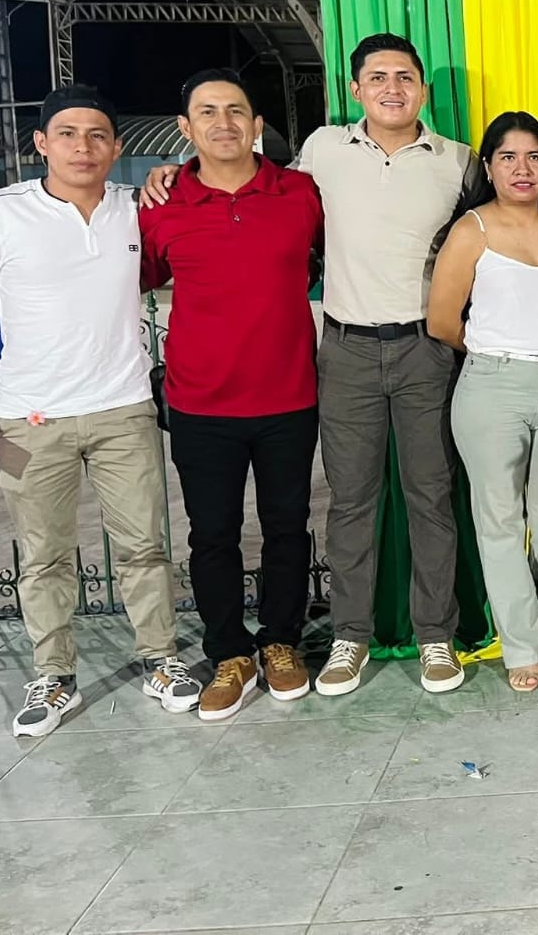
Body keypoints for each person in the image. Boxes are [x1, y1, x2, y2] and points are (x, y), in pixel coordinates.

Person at [144, 33, 475, 697]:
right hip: (346, 350)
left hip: (425, 349)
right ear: (355, 89)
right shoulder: (321, 153)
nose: (391, 87)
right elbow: (243, 181)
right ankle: (350, 636)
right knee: (350, 503)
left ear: (423, 89)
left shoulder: (460, 162)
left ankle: (435, 635)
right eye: (376, 77)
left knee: (430, 497)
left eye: (404, 76)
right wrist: (171, 172)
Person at [0, 85, 201, 736]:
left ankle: (160, 659)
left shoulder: (133, 209)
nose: (83, 147)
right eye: (68, 134)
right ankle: (53, 676)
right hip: (27, 420)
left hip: (123, 411)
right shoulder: (2, 213)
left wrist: (168, 176)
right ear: (41, 143)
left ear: (116, 145)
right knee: (43, 555)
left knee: (144, 547)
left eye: (98, 135)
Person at [140, 69, 324, 721]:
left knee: (286, 527)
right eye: (208, 112)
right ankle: (228, 653)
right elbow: (129, 278)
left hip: (288, 397)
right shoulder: (160, 206)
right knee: (212, 534)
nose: (224, 123)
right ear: (186, 129)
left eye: (237, 110)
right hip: (201, 403)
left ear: (257, 124)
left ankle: (280, 641)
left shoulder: (300, 193)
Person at [427, 113, 538, 693]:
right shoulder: (471, 230)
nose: (523, 168)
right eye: (508, 157)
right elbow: (442, 321)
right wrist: (499, 355)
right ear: (489, 168)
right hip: (493, 387)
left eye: (534, 156)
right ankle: (523, 644)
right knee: (499, 521)